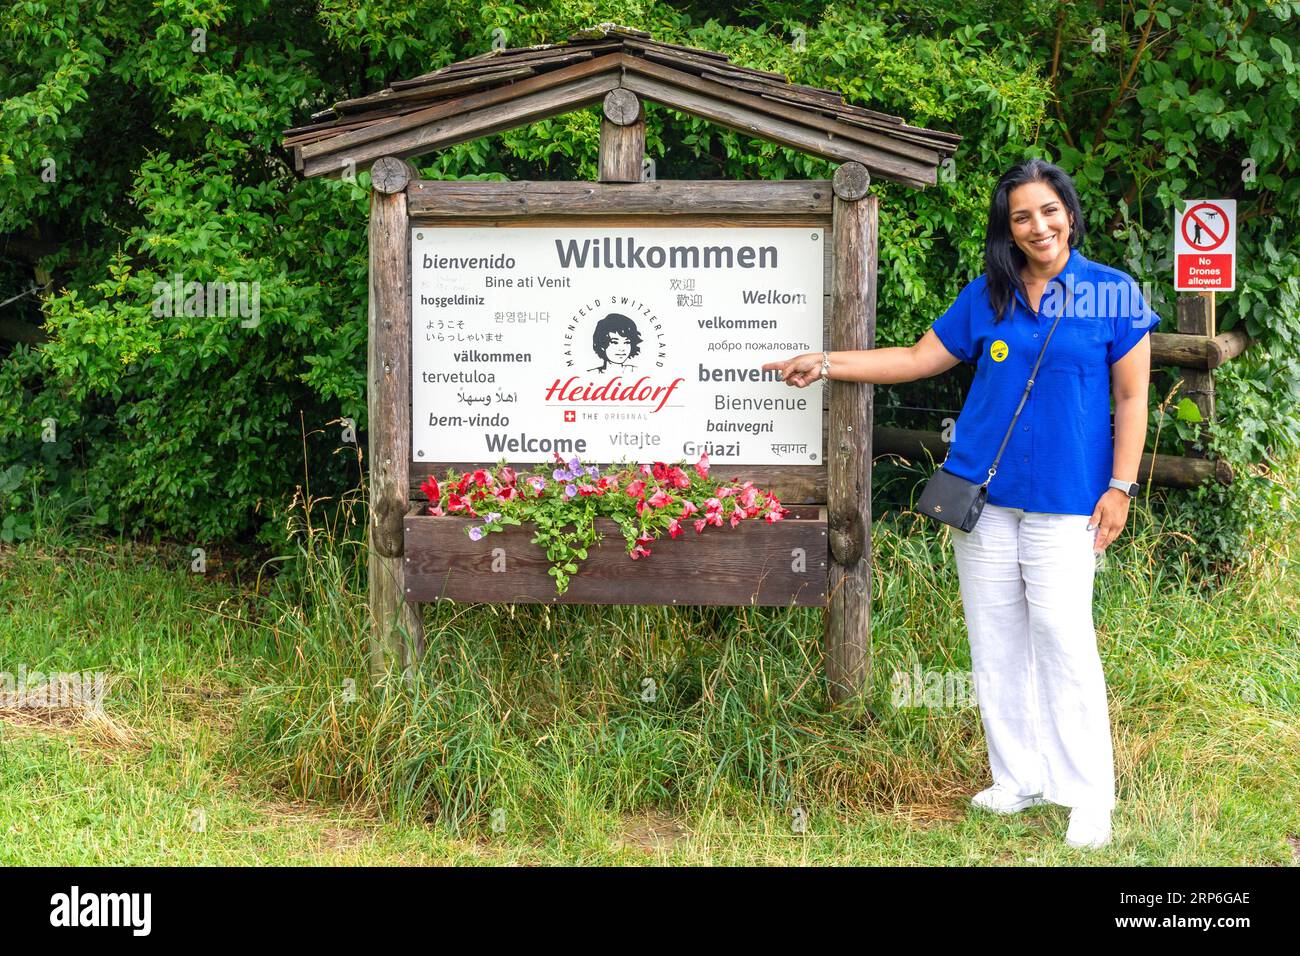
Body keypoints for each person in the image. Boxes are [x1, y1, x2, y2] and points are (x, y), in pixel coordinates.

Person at [762, 158, 1158, 850]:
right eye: (1022, 217)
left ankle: (1087, 797)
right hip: (984, 496)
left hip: (1068, 501)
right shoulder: (990, 293)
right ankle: (1018, 779)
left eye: (1049, 210)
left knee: (1065, 641)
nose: (1040, 226)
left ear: (1069, 211)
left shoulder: (1111, 294)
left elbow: (1132, 398)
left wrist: (1120, 487)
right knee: (995, 639)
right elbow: (917, 359)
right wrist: (826, 362)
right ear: (1008, 230)